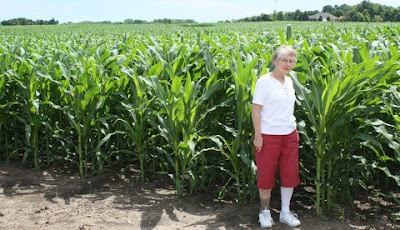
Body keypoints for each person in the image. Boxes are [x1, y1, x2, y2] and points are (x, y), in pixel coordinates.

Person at [251, 45, 301, 228]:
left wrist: (293, 131)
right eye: (284, 60)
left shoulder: (289, 81)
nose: (288, 64)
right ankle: (264, 212)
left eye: (291, 61)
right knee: (266, 175)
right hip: (268, 136)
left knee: (289, 174)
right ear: (274, 61)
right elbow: (256, 111)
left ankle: (285, 212)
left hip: (289, 135)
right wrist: (258, 135)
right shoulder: (264, 82)